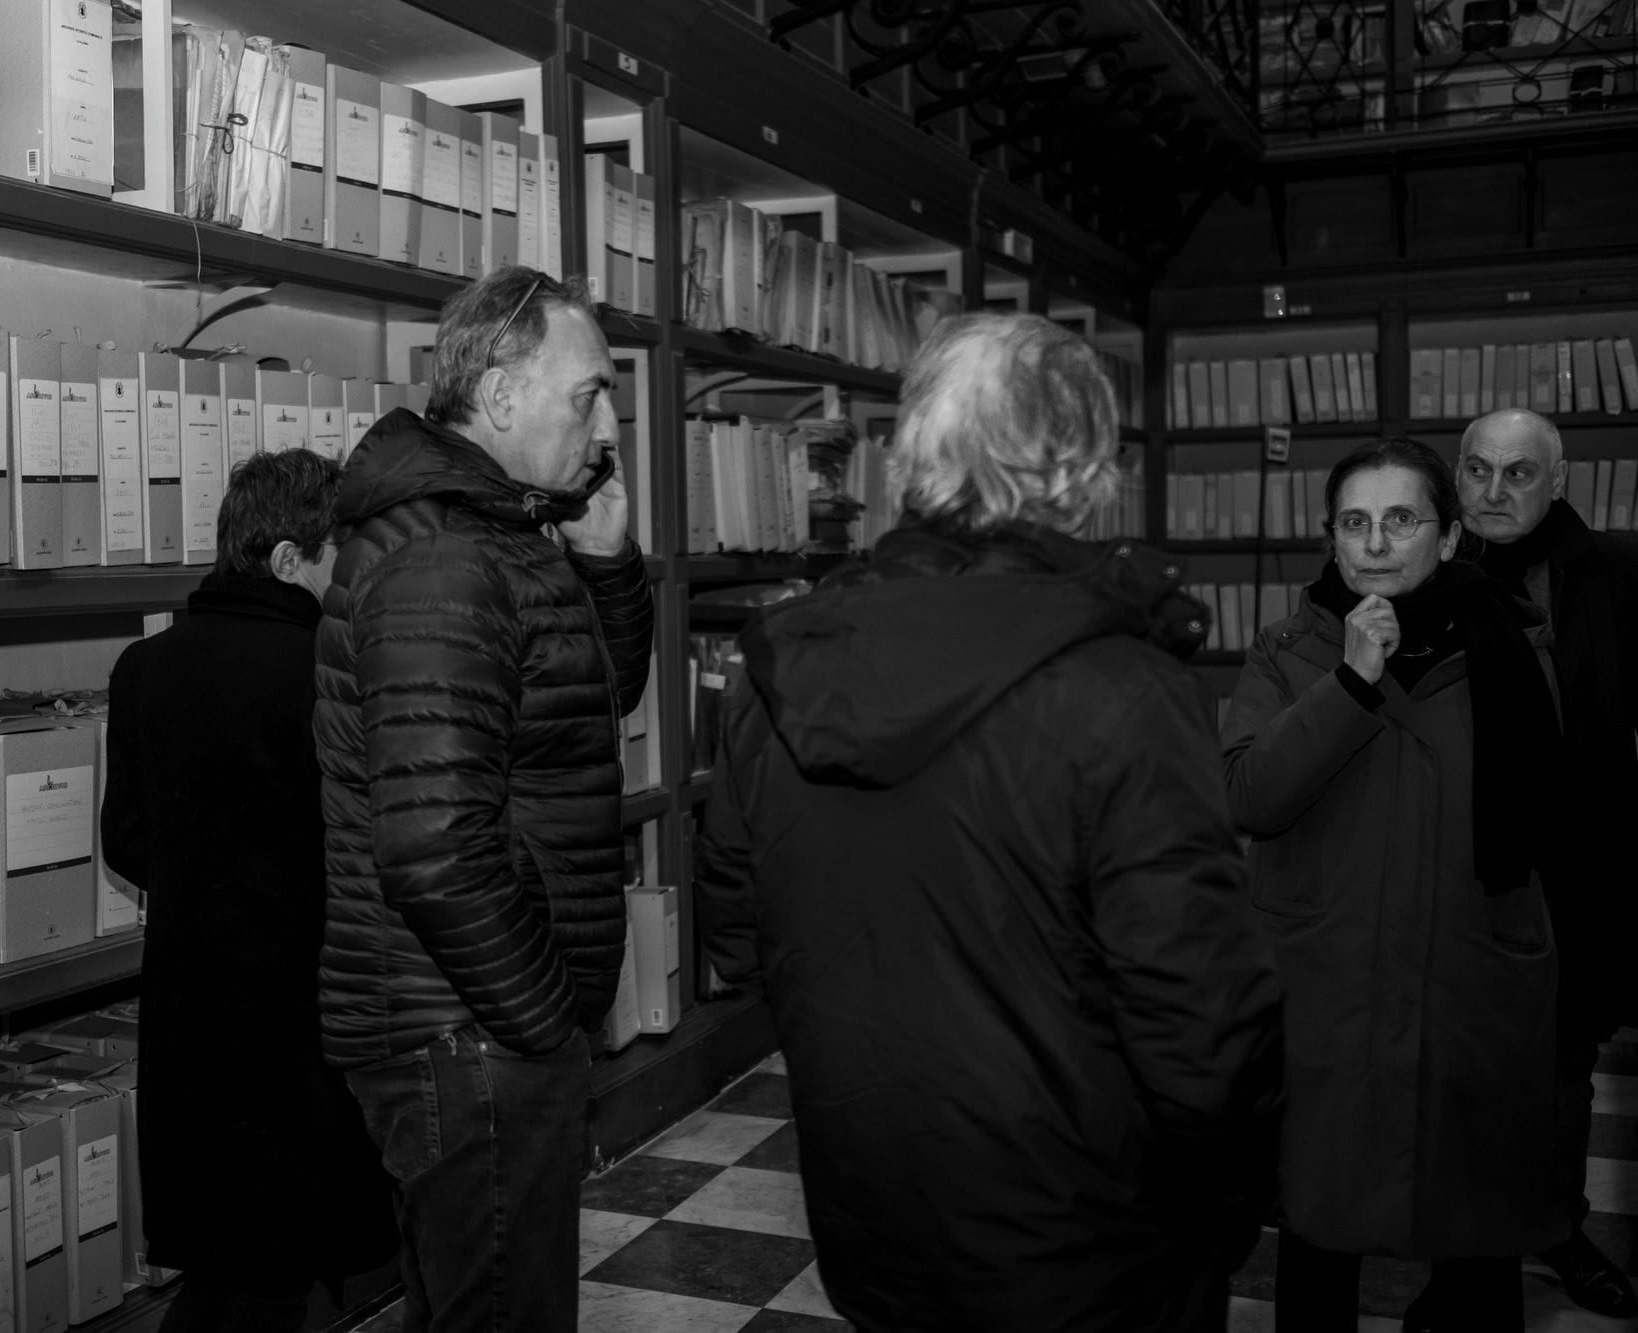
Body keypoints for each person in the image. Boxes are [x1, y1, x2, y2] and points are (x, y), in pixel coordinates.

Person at [695, 311, 1285, 1333]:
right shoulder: (1125, 690)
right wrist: (1230, 1206)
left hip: (875, 1216)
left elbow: (738, 938)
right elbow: (1200, 1021)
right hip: (1092, 1246)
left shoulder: (778, 671)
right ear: (1081, 470)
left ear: (908, 457)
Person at [314, 266, 654, 1332]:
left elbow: (584, 706)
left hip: (474, 1023)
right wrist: (540, 1020)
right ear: (501, 394)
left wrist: (606, 565)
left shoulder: (497, 529)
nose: (607, 429)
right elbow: (435, 846)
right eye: (588, 395)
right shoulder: (445, 557)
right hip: (469, 1032)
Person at [1224, 437, 1567, 1333]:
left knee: (1478, 1234)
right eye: (1355, 522)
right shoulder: (1286, 651)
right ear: (1332, 539)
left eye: (1401, 519)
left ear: (1447, 537)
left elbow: (1559, 815)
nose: (1376, 543)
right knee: (1319, 1227)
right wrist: (1350, 680)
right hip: (1328, 985)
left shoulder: (1517, 648)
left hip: (1470, 979)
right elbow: (1249, 795)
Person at [101, 448, 398, 1332]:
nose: (349, 572)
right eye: (337, 553)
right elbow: (364, 842)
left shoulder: (142, 667)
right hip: (305, 1011)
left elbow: (126, 838)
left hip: (190, 1009)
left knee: (225, 1260)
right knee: (277, 1266)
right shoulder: (331, 668)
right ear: (287, 559)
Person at [1456, 407, 1638, 1321]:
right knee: (1466, 1070)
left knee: (1566, 1071)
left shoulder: (1613, 572)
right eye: (1478, 470)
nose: (1495, 490)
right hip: (1463, 869)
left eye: (1518, 472)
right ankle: (1466, 1259)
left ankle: (1562, 1227)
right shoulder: (1428, 572)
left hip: (1579, 869)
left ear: (1558, 480)